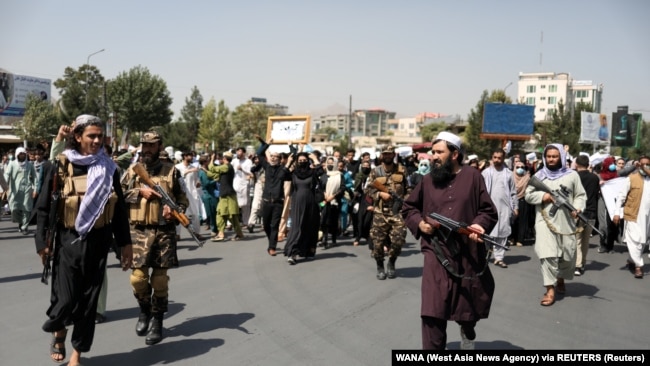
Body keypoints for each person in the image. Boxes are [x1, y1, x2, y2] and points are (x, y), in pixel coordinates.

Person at [34, 115, 133, 365]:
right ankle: (59, 330)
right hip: (68, 240)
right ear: (78, 137)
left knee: (89, 304)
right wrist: (42, 242)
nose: (97, 140)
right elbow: (44, 208)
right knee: (65, 298)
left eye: (100, 136)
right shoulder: (60, 165)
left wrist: (125, 244)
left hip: (99, 241)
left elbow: (119, 209)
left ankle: (76, 355)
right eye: (91, 135)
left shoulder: (109, 168)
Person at [402, 131, 497, 350]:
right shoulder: (426, 181)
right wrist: (420, 224)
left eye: (439, 152)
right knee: (432, 312)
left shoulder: (473, 176)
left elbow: (487, 210)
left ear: (454, 154)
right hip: (436, 253)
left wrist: (479, 225)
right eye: (432, 152)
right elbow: (409, 208)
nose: (433, 156)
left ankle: (467, 328)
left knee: (467, 308)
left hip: (467, 254)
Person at [121, 130, 188, 345]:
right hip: (138, 231)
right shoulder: (132, 171)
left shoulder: (172, 171)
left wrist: (174, 210)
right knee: (138, 279)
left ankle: (157, 321)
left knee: (159, 281)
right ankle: (144, 310)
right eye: (144, 145)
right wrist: (139, 192)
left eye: (152, 146)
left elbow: (182, 198)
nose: (147, 149)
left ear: (160, 147)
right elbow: (117, 194)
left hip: (163, 233)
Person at [525, 143, 586, 306]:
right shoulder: (539, 176)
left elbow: (580, 195)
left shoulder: (572, 175)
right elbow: (528, 195)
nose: (551, 159)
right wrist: (544, 196)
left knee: (567, 255)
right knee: (547, 255)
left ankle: (560, 278)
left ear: (561, 157)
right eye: (548, 156)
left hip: (566, 222)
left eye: (554, 156)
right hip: (544, 221)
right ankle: (549, 290)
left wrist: (578, 207)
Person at [365, 145, 407, 280]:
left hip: (397, 212)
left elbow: (410, 189)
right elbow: (367, 189)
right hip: (380, 213)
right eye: (385, 154)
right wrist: (379, 195)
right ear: (381, 155)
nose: (388, 156)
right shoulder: (375, 172)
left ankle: (391, 262)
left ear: (394, 154)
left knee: (399, 240)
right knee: (377, 243)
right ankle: (380, 266)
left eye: (390, 154)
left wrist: (404, 201)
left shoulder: (402, 171)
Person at [614, 155, 650, 279]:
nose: (645, 166)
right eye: (642, 164)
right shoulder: (632, 178)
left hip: (647, 217)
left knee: (641, 241)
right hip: (632, 214)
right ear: (637, 164)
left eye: (647, 164)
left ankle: (631, 259)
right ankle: (639, 266)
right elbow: (621, 197)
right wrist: (617, 213)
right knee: (634, 239)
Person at [284, 151, 323, 264]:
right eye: (300, 160)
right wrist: (289, 162)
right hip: (297, 202)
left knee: (310, 226)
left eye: (304, 160)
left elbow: (321, 172)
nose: (302, 162)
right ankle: (292, 253)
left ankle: (309, 251)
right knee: (297, 226)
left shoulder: (312, 172)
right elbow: (282, 175)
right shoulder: (294, 173)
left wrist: (315, 159)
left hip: (311, 202)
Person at [255, 135, 291, 256]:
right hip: (266, 201)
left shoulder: (283, 170)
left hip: (278, 201)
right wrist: (267, 144)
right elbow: (259, 154)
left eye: (276, 157)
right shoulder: (267, 167)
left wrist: (290, 145)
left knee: (275, 225)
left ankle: (272, 247)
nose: (274, 158)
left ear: (280, 159)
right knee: (266, 225)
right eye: (272, 156)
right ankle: (272, 239)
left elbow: (293, 157)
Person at [481, 148, 517, 268]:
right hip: (489, 208)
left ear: (503, 158)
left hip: (504, 208)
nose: (497, 160)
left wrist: (515, 207)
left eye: (499, 158)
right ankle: (485, 256)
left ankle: (499, 258)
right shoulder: (486, 173)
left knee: (502, 232)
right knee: (487, 232)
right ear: (492, 158)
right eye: (495, 157)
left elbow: (513, 192)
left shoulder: (508, 173)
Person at [208, 151, 244, 241]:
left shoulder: (226, 167)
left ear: (224, 159)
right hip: (226, 194)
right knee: (222, 214)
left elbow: (212, 168)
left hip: (227, 195)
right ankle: (222, 234)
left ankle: (233, 234)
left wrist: (212, 159)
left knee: (229, 215)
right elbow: (213, 174)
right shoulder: (226, 167)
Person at [574, 154, 600, 276]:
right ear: (588, 164)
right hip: (591, 212)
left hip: (578, 211)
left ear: (576, 164)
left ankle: (578, 265)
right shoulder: (595, 178)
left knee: (577, 240)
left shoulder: (574, 177)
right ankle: (582, 263)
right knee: (585, 240)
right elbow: (596, 194)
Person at [3, 146, 37, 234]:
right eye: (20, 154)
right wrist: (3, 186)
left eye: (23, 154)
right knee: (14, 207)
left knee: (26, 207)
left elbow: (35, 178)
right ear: (17, 155)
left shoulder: (29, 165)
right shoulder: (12, 164)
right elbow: (7, 175)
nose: (22, 156)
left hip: (27, 188)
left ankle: (24, 227)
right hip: (15, 189)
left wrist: (35, 189)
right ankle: (20, 222)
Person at [319, 156, 345, 249]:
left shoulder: (340, 175)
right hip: (324, 201)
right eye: (328, 163)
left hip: (335, 202)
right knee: (323, 220)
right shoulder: (324, 175)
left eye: (332, 163)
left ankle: (333, 239)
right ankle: (324, 240)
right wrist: (324, 194)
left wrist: (333, 196)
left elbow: (342, 188)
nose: (330, 165)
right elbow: (320, 187)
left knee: (333, 221)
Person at [353, 159, 373, 248]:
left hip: (370, 199)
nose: (365, 167)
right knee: (360, 220)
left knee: (367, 220)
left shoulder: (373, 176)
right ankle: (358, 237)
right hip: (361, 200)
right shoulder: (358, 176)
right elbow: (356, 188)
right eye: (364, 166)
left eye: (367, 166)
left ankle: (368, 236)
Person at [198, 154, 219, 239]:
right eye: (208, 160)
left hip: (212, 194)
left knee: (215, 212)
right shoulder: (202, 172)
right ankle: (214, 229)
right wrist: (215, 180)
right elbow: (206, 184)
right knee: (211, 213)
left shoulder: (206, 170)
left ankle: (216, 229)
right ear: (204, 162)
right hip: (208, 195)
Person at [233, 147, 253, 226]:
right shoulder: (234, 161)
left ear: (244, 153)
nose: (238, 153)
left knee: (245, 204)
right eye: (237, 151)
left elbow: (250, 173)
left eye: (240, 151)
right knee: (235, 204)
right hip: (235, 183)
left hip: (244, 184)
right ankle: (233, 222)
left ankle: (245, 222)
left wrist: (242, 169)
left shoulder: (248, 162)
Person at [247, 154, 265, 233]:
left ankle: (264, 223)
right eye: (255, 159)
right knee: (255, 205)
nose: (257, 160)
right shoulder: (253, 168)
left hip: (268, 186)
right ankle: (251, 223)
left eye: (258, 158)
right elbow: (252, 178)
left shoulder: (266, 166)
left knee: (264, 206)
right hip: (258, 186)